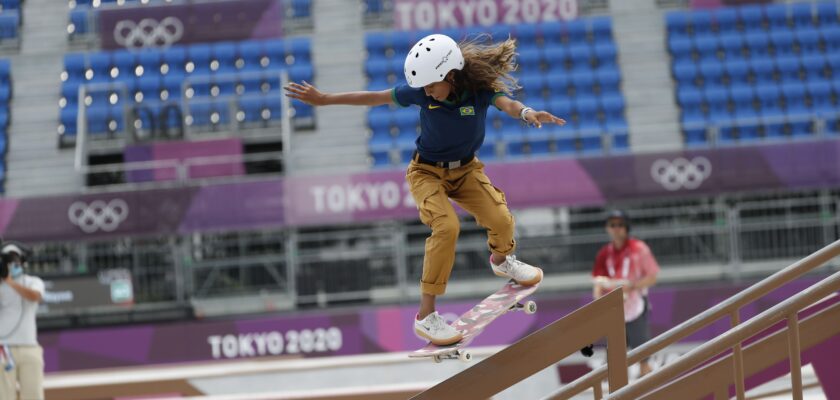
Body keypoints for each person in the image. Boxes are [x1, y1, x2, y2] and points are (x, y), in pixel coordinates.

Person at [285, 34, 565, 345]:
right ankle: (426, 317)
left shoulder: (480, 91)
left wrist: (527, 114)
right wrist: (325, 99)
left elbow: (509, 104)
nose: (427, 90)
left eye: (432, 83)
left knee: (500, 218)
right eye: (424, 86)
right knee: (446, 227)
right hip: (426, 172)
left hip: (467, 170)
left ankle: (502, 260)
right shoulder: (420, 94)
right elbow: (372, 97)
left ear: (451, 75)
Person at [591, 210, 660, 377]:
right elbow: (597, 281)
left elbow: (652, 277)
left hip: (635, 305)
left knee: (643, 355)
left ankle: (647, 389)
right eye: (612, 225)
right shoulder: (604, 253)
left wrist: (632, 286)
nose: (616, 229)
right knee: (614, 358)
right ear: (608, 228)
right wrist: (599, 296)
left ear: (627, 227)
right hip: (614, 308)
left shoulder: (639, 249)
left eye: (620, 225)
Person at [0, 242, 45, 400]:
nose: (12, 263)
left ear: (22, 261)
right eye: (8, 259)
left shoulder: (33, 281)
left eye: (15, 259)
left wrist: (10, 282)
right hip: (3, 347)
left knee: (33, 395)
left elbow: (35, 297)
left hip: (29, 346)